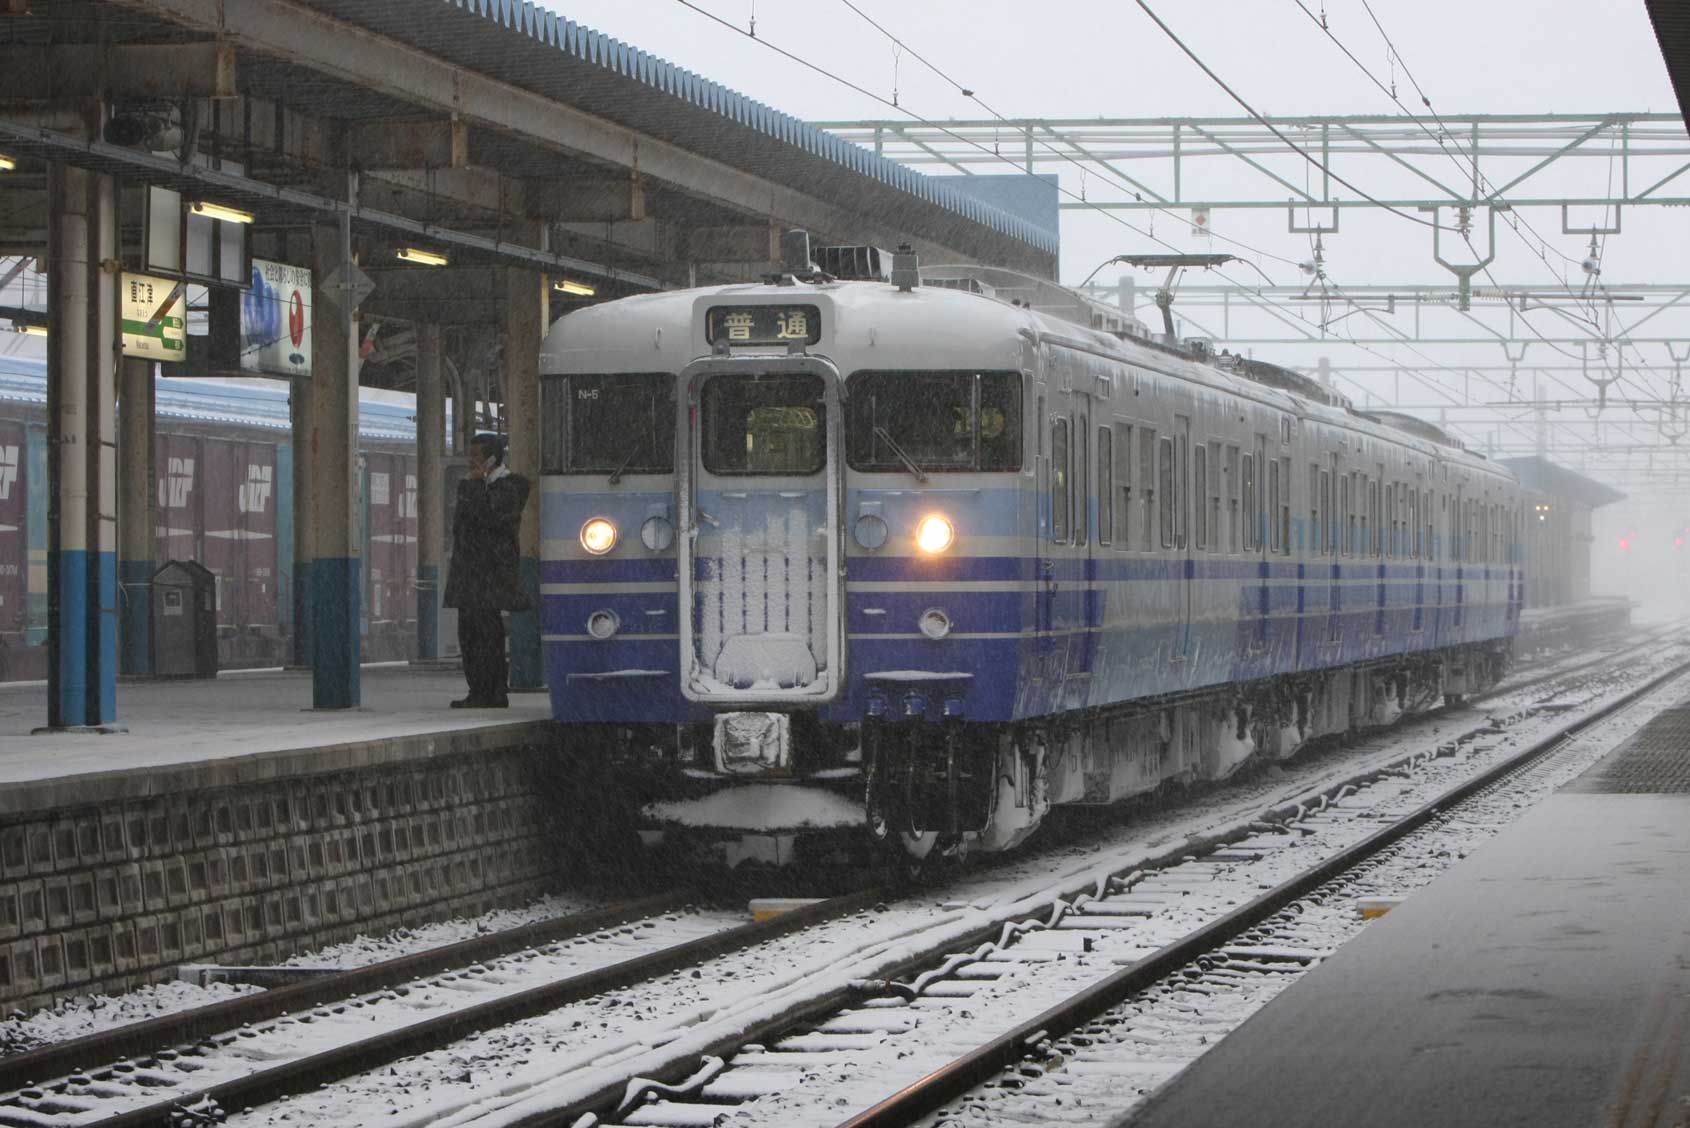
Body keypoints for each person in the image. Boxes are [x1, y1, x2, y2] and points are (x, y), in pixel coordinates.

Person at [443, 432, 531, 707]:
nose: (471, 463)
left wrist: (474, 487)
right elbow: (461, 525)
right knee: (469, 635)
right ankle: (479, 690)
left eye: (477, 457)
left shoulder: (510, 488)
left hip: (489, 576)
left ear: (492, 459)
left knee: (486, 637)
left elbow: (488, 519)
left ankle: (492, 691)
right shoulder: (471, 486)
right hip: (470, 574)